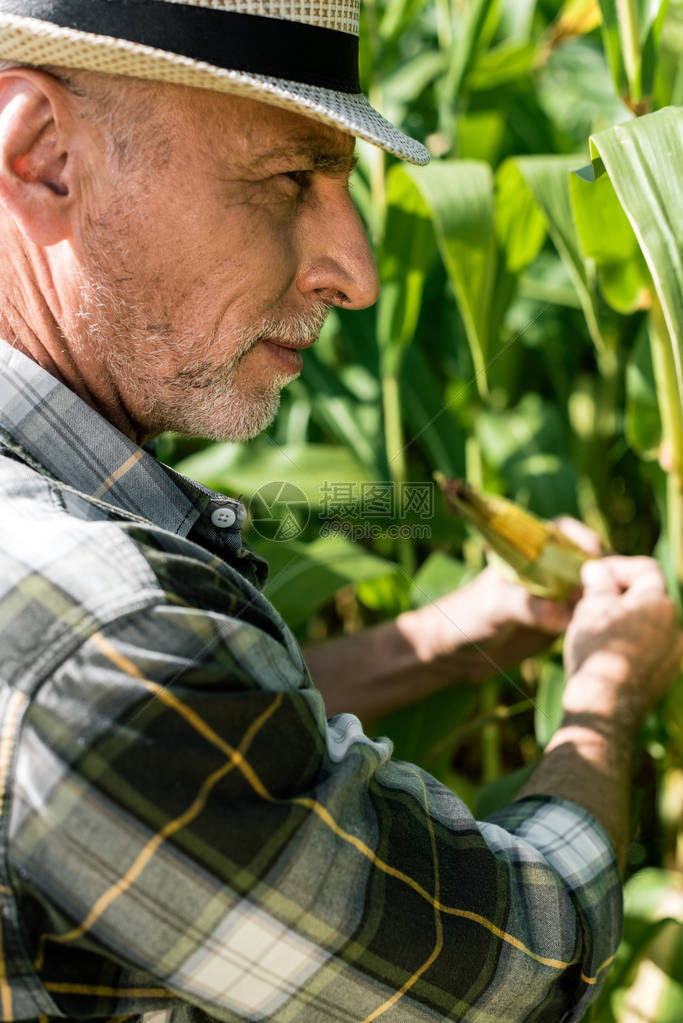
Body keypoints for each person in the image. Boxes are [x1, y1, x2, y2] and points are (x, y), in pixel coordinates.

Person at [0, 2, 679, 1021]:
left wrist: (446, 636)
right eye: (288, 178)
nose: (353, 273)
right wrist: (605, 700)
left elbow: (183, 749)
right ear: (46, 153)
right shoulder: (106, 633)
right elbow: (509, 976)